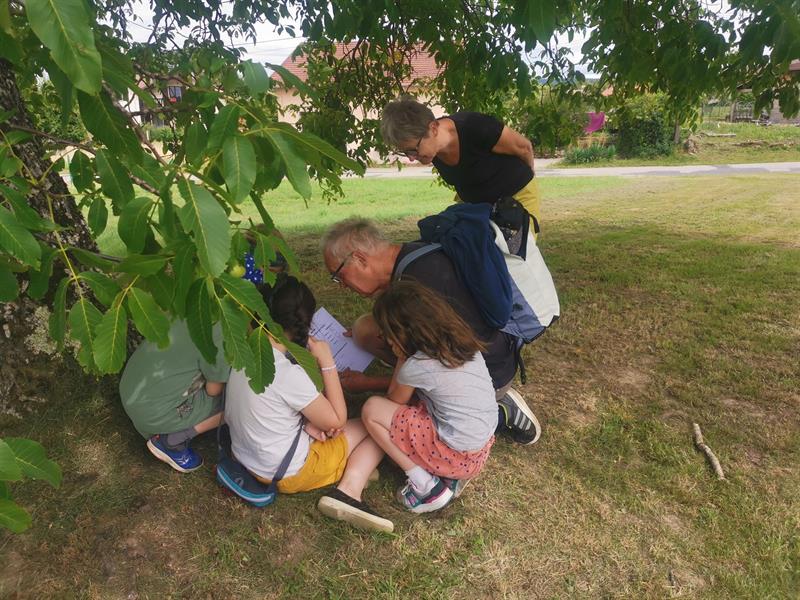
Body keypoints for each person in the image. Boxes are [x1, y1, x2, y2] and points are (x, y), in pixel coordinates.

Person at [321, 218, 540, 445]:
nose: (342, 285)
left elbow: (395, 399)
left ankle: (500, 411)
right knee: (365, 328)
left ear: (359, 258)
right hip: (487, 352)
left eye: (338, 275)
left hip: (488, 374)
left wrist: (366, 383)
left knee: (402, 413)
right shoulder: (413, 256)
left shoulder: (418, 282)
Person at [224, 274, 393, 533]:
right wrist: (327, 361)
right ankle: (350, 490)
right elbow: (336, 419)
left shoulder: (246, 353)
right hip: (288, 473)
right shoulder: (288, 374)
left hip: (246, 457)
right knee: (379, 422)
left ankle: (349, 465)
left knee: (335, 429)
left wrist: (308, 425)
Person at [361, 280, 498, 512]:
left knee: (372, 410)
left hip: (454, 455)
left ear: (403, 333)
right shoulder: (462, 342)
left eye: (387, 335)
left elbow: (392, 402)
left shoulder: (418, 364)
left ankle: (426, 486)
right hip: (479, 450)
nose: (386, 340)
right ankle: (445, 476)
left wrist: (402, 357)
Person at [381, 97, 540, 230]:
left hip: (517, 198)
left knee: (517, 259)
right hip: (479, 208)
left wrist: (529, 179)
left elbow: (524, 147)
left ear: (433, 128)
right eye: (406, 152)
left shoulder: (474, 126)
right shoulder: (431, 150)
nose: (411, 158)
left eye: (413, 149)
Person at [119, 320, 229, 473]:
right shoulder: (224, 336)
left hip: (130, 390)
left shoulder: (195, 305)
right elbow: (213, 391)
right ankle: (172, 440)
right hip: (153, 413)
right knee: (234, 404)